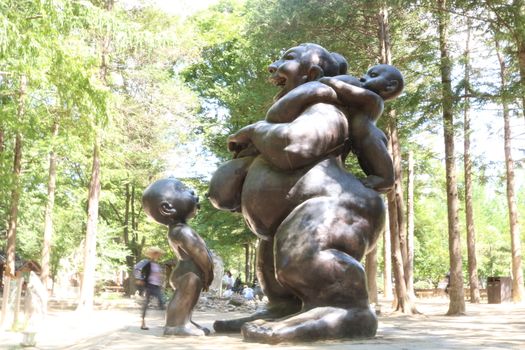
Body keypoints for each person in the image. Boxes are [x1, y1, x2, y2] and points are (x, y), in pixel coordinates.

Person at [142, 178, 214, 336]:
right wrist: (208, 271)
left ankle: (185, 319)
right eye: (183, 189)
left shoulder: (179, 229)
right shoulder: (181, 231)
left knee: (189, 298)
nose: (192, 192)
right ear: (167, 208)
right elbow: (199, 253)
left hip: (185, 271)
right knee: (187, 292)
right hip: (188, 274)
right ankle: (175, 325)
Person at [137, 247, 166, 330]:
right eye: (156, 253)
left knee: (162, 302)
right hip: (149, 286)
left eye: (158, 254)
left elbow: (158, 275)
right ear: (152, 254)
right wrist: (141, 280)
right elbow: (139, 270)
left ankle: (167, 323)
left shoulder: (157, 264)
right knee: (146, 305)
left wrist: (161, 281)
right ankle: (143, 324)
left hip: (156, 287)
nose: (157, 255)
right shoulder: (147, 263)